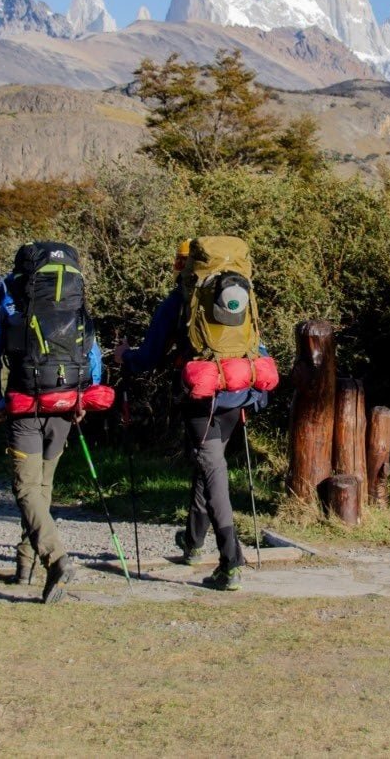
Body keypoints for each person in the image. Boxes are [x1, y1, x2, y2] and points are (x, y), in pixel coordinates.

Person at [116, 238, 274, 592]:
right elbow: (256, 344)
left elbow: (150, 356)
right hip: (239, 391)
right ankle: (192, 542)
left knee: (212, 468)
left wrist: (124, 356)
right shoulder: (241, 294)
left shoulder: (180, 301)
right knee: (209, 464)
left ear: (183, 267)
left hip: (201, 396)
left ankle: (230, 561)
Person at [0, 241, 102, 604]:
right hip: (65, 402)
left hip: (25, 401)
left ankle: (56, 559)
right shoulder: (73, 293)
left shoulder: (8, 289)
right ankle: (25, 567)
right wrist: (85, 397)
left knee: (26, 488)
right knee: (42, 486)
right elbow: (90, 347)